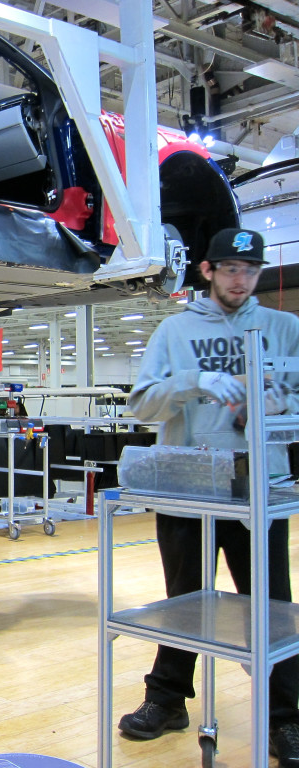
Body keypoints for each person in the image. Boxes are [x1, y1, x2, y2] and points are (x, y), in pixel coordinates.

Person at [119, 228, 299, 765]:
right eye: (230, 269)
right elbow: (141, 406)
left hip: (256, 491)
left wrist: (272, 400)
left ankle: (286, 717)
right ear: (207, 271)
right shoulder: (174, 331)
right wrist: (192, 381)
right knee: (183, 603)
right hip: (187, 489)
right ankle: (167, 700)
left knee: (269, 607)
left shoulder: (283, 328)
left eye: (251, 270)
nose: (241, 280)